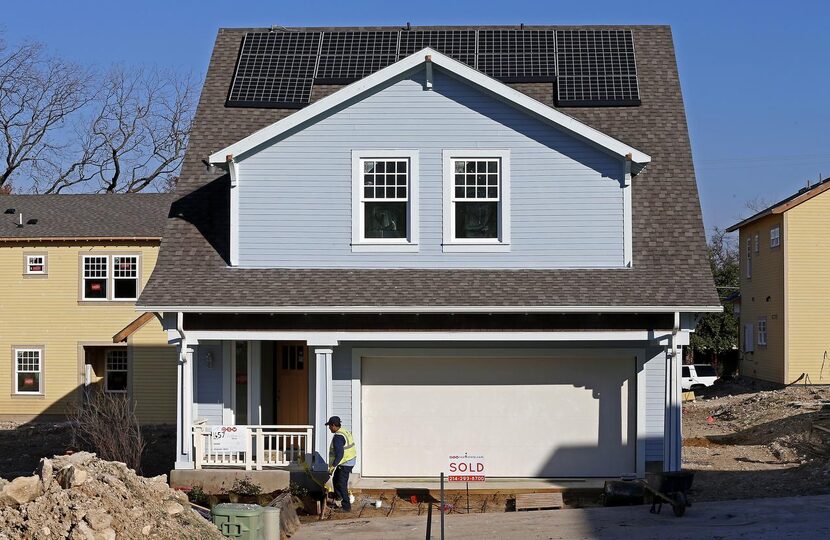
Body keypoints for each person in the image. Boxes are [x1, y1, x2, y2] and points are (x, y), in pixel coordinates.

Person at [326, 415, 357, 512]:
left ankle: (346, 506)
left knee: (341, 483)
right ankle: (338, 496)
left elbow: (339, 455)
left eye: (330, 426)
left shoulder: (338, 437)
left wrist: (332, 467)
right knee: (336, 479)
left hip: (345, 462)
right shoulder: (344, 431)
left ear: (334, 425)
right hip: (349, 460)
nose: (329, 428)